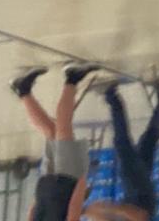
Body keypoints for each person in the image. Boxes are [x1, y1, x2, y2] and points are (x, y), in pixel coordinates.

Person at [10, 62, 101, 221]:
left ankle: (72, 78)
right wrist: (39, 199)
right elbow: (30, 217)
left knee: (63, 128)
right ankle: (23, 91)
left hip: (64, 185)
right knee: (51, 132)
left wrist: (82, 181)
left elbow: (73, 213)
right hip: (46, 188)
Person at [80, 73, 159, 221]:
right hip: (137, 191)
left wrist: (86, 211)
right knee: (122, 144)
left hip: (138, 192)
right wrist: (112, 208)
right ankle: (111, 95)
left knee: (149, 139)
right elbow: (139, 216)